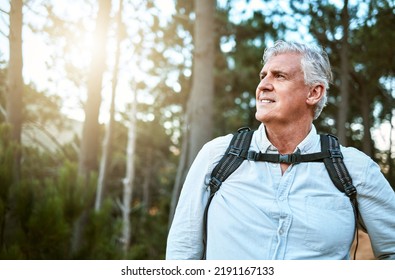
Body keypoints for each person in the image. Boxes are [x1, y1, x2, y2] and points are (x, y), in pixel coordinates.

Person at [166, 40, 395, 260]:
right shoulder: (216, 156)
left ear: (314, 93)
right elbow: (182, 253)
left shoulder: (355, 168)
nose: (263, 85)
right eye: (263, 76)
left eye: (280, 76)